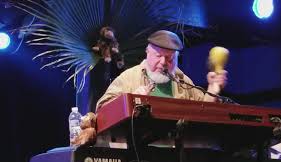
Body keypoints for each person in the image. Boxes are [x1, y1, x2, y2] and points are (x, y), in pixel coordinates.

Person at [71, 30, 228, 146]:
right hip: (139, 153)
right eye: (158, 56)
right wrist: (130, 99)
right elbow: (102, 110)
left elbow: (203, 115)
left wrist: (213, 89)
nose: (163, 63)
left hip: (178, 156)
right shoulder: (129, 77)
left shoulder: (182, 81)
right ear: (147, 53)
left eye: (169, 58)